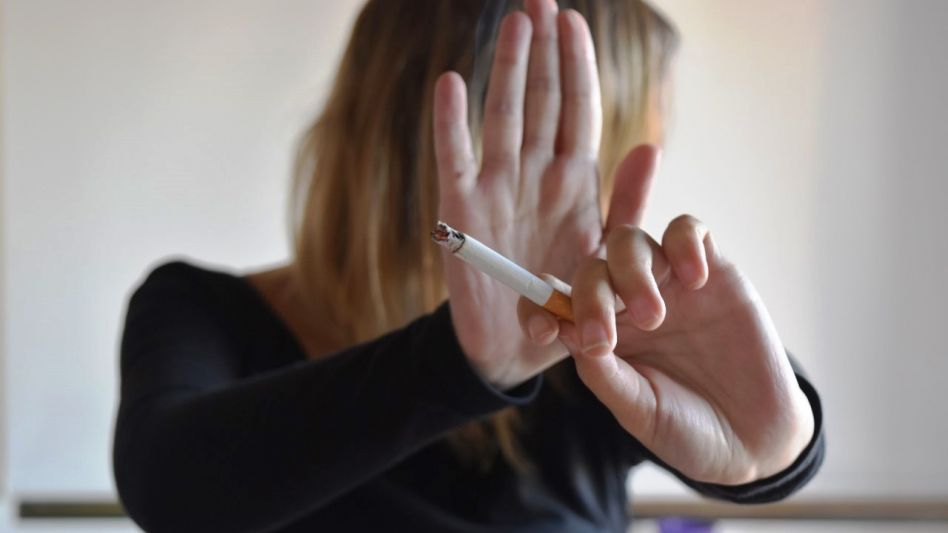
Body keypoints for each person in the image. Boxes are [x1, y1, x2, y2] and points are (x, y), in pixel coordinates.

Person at [113, 0, 825, 531]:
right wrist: (460, 363)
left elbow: (755, 446)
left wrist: (781, 450)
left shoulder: (592, 350)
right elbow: (172, 494)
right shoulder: (201, 313)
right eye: (636, 138)